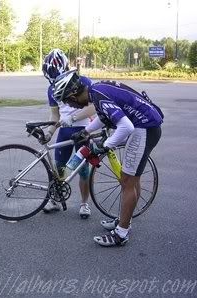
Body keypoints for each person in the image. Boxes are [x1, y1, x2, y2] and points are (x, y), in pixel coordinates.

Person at [53, 70, 163, 246]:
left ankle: (121, 233)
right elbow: (104, 117)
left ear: (73, 95)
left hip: (143, 129)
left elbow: (125, 127)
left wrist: (104, 146)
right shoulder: (96, 91)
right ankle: (124, 221)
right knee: (132, 181)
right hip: (146, 127)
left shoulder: (98, 95)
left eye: (68, 101)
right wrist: (85, 131)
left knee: (127, 181)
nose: (71, 106)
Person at [41, 49, 96, 218]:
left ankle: (84, 203)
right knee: (59, 168)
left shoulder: (83, 81)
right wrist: (50, 132)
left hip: (83, 130)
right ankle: (56, 200)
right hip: (64, 131)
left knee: (84, 170)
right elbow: (55, 115)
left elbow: (93, 107)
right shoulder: (51, 90)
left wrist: (73, 118)